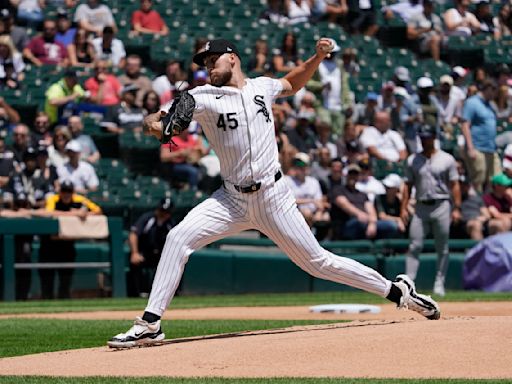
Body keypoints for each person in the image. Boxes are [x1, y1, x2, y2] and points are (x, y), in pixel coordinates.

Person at [108, 38, 441, 348]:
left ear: (233, 57)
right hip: (231, 200)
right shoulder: (201, 97)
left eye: (214, 59)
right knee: (178, 238)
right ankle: (151, 323)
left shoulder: (262, 87)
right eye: (204, 62)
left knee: (319, 263)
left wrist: (317, 57)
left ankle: (397, 292)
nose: (209, 66)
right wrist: (155, 124)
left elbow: (292, 82)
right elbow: (156, 119)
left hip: (273, 197)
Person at [400, 124, 461, 297]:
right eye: (422, 136)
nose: (424, 139)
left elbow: (455, 184)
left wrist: (456, 208)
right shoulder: (413, 160)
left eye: (427, 136)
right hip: (420, 206)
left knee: (442, 247)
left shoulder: (446, 159)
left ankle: (439, 282)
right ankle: (409, 283)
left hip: (441, 204)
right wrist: (403, 208)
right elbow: (407, 185)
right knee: (414, 245)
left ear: (434, 137)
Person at [39, 180, 102, 299]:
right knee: (47, 280)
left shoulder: (79, 199)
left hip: (67, 245)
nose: (66, 194)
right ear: (60, 191)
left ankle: (63, 303)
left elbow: (98, 211)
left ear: (72, 192)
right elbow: (49, 214)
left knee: (65, 280)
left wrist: (84, 213)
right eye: (64, 191)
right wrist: (74, 214)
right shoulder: (54, 199)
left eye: (69, 191)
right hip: (49, 246)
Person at [329, 163, 396, 240]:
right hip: (347, 224)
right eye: (351, 174)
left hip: (366, 221)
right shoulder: (338, 189)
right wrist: (359, 214)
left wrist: (372, 223)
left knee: (391, 226)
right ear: (346, 175)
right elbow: (343, 204)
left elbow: (370, 209)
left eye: (355, 174)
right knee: (359, 222)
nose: (353, 177)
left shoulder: (362, 194)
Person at [128, 197, 175, 297]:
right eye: (162, 210)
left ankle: (169, 294)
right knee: (136, 266)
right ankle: (137, 293)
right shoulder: (148, 218)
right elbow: (133, 234)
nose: (164, 214)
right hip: (144, 253)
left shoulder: (170, 223)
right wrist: (135, 253)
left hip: (161, 255)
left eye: (166, 212)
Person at [460, 79, 500, 193]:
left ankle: (488, 205)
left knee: (496, 179)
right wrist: (470, 148)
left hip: (491, 148)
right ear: (488, 89)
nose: (495, 95)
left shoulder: (490, 105)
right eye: (494, 91)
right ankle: (476, 206)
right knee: (478, 179)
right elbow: (465, 125)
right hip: (477, 148)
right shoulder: (472, 102)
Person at [284, 152, 329, 228]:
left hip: (313, 211)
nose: (299, 167)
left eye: (302, 164)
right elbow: (289, 200)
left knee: (326, 217)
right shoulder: (287, 180)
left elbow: (319, 200)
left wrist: (319, 212)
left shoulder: (313, 182)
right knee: (306, 212)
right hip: (294, 213)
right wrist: (311, 201)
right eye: (297, 164)